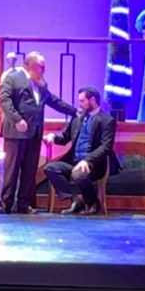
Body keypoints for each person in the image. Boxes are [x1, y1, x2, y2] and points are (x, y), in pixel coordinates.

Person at [0, 51, 74, 215]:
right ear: (31, 66)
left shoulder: (41, 84)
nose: (44, 70)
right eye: (42, 67)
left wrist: (74, 112)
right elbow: (4, 100)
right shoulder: (13, 78)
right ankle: (5, 205)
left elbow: (53, 101)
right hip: (17, 132)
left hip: (34, 133)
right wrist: (17, 119)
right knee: (12, 170)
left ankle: (23, 204)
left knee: (29, 170)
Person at [43, 87, 121, 215]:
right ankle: (75, 200)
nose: (80, 104)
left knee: (78, 174)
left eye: (82, 101)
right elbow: (64, 138)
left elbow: (106, 146)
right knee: (50, 168)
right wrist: (53, 137)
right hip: (74, 162)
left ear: (92, 100)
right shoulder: (77, 118)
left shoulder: (107, 121)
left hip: (94, 164)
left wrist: (87, 160)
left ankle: (93, 203)